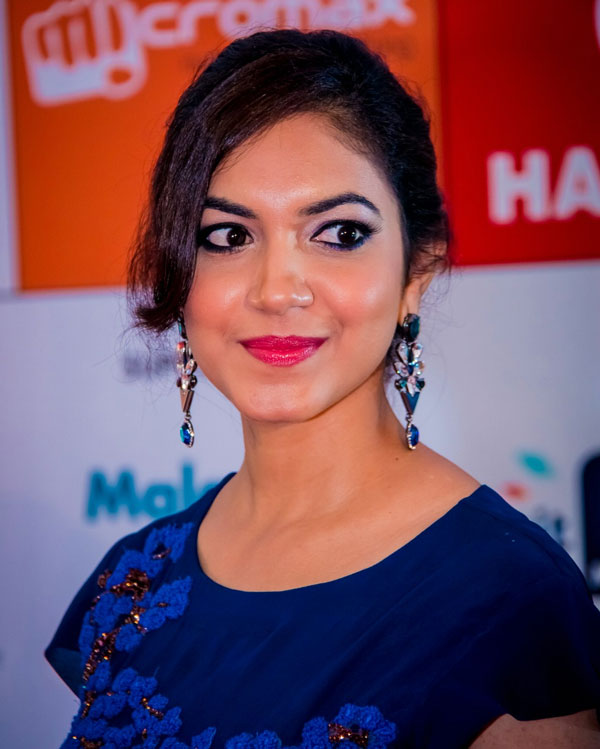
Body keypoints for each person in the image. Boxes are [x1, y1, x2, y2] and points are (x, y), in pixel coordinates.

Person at [46, 28, 600, 748]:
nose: (277, 290)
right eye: (228, 236)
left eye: (338, 233)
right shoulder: (131, 582)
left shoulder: (509, 597)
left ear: (416, 272)